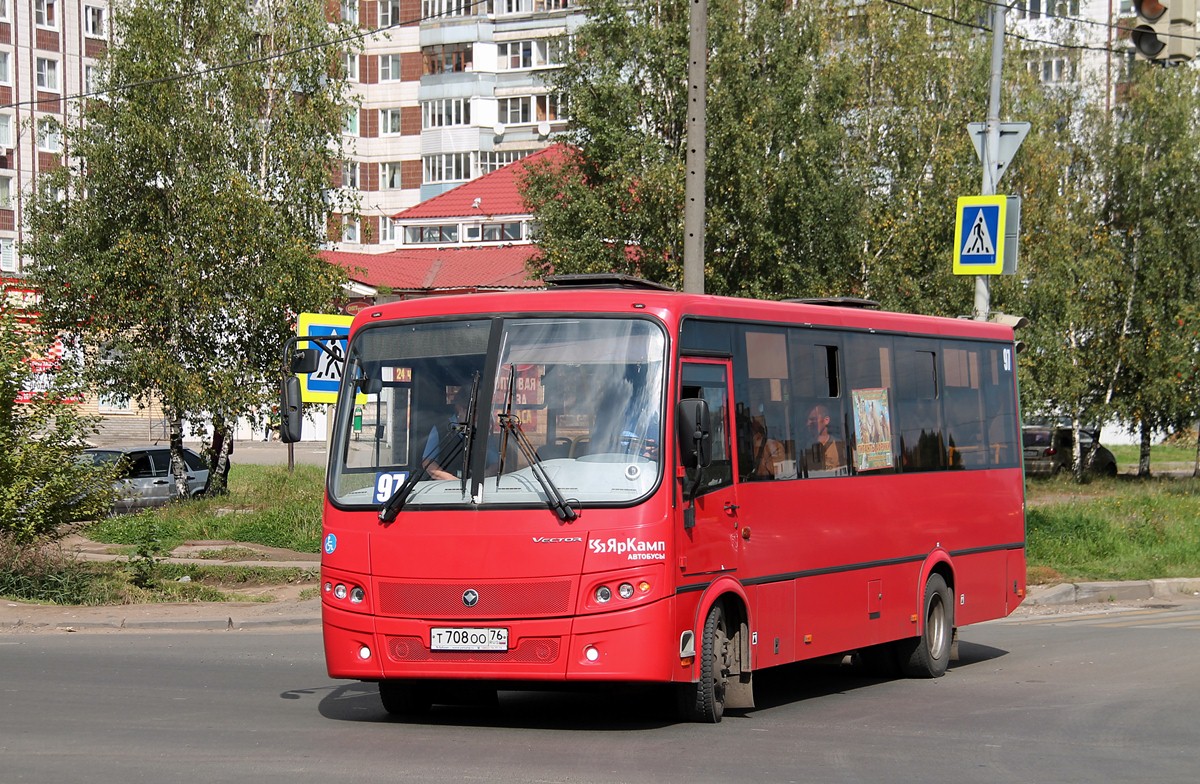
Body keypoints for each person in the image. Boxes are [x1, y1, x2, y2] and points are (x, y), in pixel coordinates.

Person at [422, 387, 471, 480]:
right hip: (447, 488)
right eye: (467, 408)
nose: (476, 414)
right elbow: (428, 463)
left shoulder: (483, 430)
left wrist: (485, 475)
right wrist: (454, 481)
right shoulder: (441, 429)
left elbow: (496, 462)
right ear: (458, 407)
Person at [805, 404, 845, 471]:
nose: (808, 423)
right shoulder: (806, 446)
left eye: (813, 419)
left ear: (826, 420)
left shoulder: (839, 445)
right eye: (807, 420)